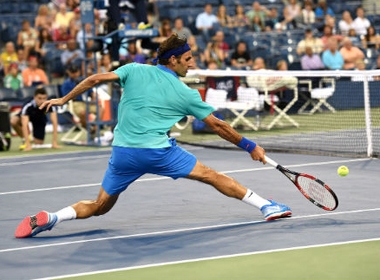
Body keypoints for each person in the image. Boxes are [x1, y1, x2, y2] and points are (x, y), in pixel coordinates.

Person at [14, 33, 292, 238]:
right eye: (187, 59)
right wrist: (250, 145)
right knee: (211, 176)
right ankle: (266, 206)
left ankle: (51, 218)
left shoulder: (133, 69)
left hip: (123, 152)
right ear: (173, 60)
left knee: (99, 206)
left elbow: (95, 79)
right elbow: (219, 126)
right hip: (158, 153)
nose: (191, 64)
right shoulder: (186, 93)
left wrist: (64, 99)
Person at [10, 87, 60, 152]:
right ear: (34, 97)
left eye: (44, 98)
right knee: (13, 121)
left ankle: (31, 139)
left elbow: (55, 123)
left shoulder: (49, 105)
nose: (42, 101)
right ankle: (25, 139)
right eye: (39, 98)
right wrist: (28, 145)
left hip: (40, 119)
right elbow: (24, 125)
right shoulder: (28, 105)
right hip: (27, 116)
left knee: (39, 143)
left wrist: (54, 142)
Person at [60, 63, 103, 130]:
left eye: (76, 71)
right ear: (69, 73)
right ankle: (88, 130)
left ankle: (95, 128)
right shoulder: (66, 84)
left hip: (86, 102)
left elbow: (91, 92)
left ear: (79, 71)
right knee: (83, 113)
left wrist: (93, 96)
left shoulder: (84, 80)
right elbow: (67, 98)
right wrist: (77, 89)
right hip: (75, 103)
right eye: (72, 72)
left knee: (100, 108)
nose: (75, 74)